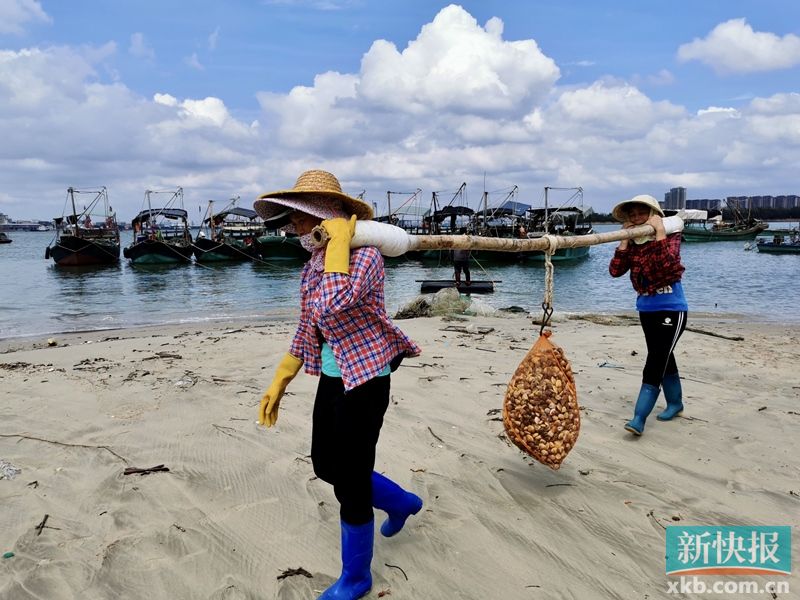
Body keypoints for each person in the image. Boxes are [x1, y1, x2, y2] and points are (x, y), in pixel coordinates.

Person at [253, 170, 423, 600]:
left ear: (323, 217)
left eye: (296, 217)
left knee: (348, 479)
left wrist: (342, 243)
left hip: (366, 379)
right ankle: (401, 502)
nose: (291, 227)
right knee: (325, 464)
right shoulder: (315, 263)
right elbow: (310, 323)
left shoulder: (365, 259)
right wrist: (282, 377)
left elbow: (334, 300)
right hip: (334, 375)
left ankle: (356, 577)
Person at [608, 194, 688, 436]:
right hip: (646, 309)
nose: (636, 218)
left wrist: (660, 232)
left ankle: (639, 417)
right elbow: (615, 271)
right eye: (632, 215)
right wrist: (624, 240)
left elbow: (668, 265)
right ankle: (675, 403)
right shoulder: (632, 242)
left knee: (655, 359)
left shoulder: (672, 236)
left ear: (653, 215)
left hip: (672, 309)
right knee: (664, 356)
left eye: (641, 213)